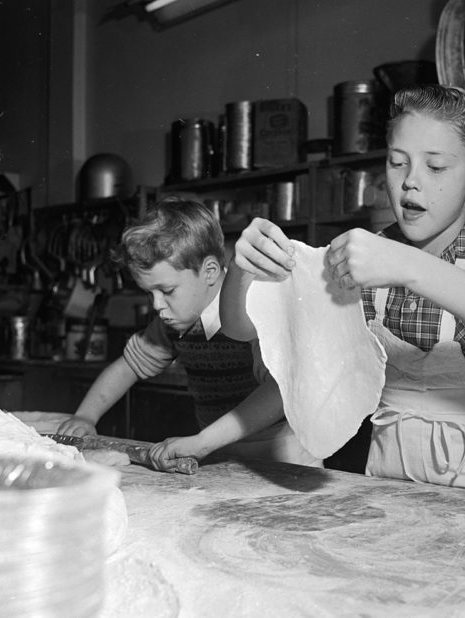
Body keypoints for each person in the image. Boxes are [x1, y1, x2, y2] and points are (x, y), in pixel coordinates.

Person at [220, 84, 465, 498]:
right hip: (387, 489)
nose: (410, 183)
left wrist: (409, 266)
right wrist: (242, 271)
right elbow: (240, 329)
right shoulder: (364, 255)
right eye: (397, 162)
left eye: (436, 167)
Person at [57, 199, 322, 470]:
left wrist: (203, 441)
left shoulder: (252, 306)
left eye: (167, 291)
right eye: (150, 293)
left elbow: (278, 392)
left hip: (284, 455)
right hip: (218, 452)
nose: (156, 304)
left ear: (209, 272)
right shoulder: (174, 321)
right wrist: (85, 417)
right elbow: (128, 367)